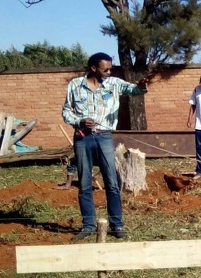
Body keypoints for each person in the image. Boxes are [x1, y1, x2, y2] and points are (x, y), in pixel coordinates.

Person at [62, 52, 148, 241]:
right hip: (83, 138)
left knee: (112, 183)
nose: (109, 72)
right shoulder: (75, 85)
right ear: (94, 68)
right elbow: (66, 111)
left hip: (104, 138)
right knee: (85, 183)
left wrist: (142, 86)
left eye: (110, 69)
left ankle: (117, 225)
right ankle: (88, 225)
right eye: (106, 69)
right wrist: (80, 121)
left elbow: (135, 90)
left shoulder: (114, 84)